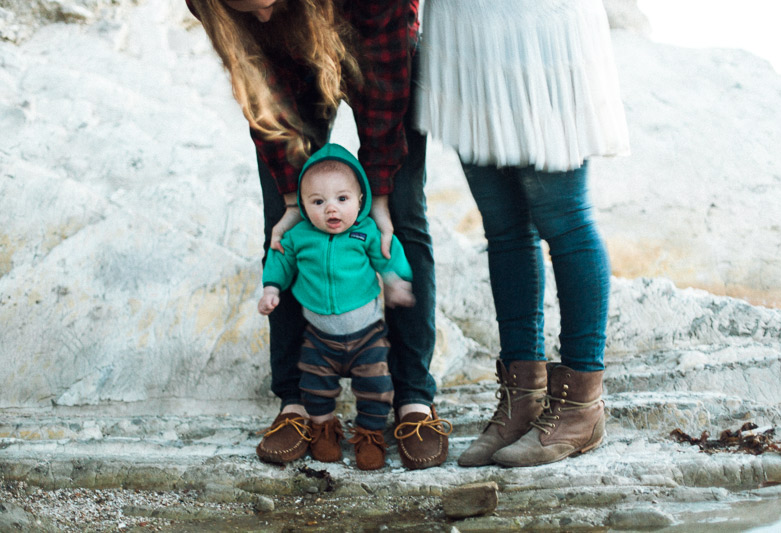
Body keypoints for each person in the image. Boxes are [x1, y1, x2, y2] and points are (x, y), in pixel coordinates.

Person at [185, 0, 451, 470]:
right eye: (245, 10)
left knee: (403, 218)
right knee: (285, 227)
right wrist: (292, 199)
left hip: (374, 41)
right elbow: (259, 91)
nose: (262, 18)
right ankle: (297, 401)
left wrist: (380, 195)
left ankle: (412, 399)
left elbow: (386, 91)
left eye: (266, 3)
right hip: (286, 71)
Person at [414, 0, 630, 467]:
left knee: (565, 221)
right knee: (505, 231)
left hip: (538, 29)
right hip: (463, 36)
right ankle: (523, 398)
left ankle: (580, 407)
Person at [258, 143, 415, 470]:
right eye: (318, 201)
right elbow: (280, 262)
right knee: (314, 388)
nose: (331, 209)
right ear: (302, 205)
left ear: (360, 201)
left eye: (342, 199)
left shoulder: (366, 232)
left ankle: (370, 435)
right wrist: (272, 289)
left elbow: (388, 257)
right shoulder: (299, 236)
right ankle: (324, 430)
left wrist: (396, 282)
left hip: (367, 336)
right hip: (319, 338)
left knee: (376, 388)